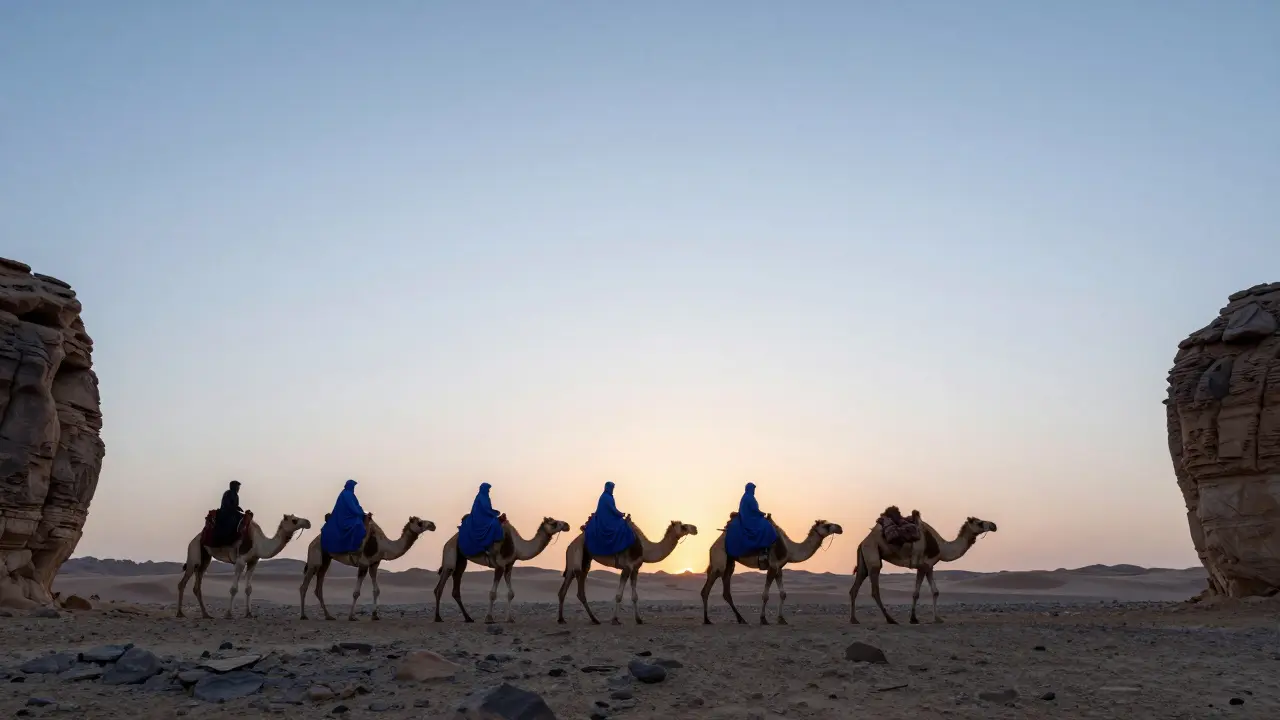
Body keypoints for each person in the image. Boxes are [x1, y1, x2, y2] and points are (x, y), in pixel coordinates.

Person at [725, 482, 779, 558]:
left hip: (750, 517)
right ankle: (764, 548)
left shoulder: (746, 497)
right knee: (766, 526)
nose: (754, 491)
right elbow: (754, 509)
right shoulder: (748, 497)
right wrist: (762, 513)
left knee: (765, 523)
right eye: (753, 489)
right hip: (749, 519)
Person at [584, 481, 636, 557]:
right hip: (605, 520)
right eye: (612, 488)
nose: (612, 489)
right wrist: (621, 514)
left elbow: (612, 510)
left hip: (608, 518)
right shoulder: (606, 497)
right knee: (622, 526)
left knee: (622, 523)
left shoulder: (607, 496)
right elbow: (613, 509)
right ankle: (620, 552)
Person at [457, 483, 505, 564]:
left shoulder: (485, 497)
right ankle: (490, 546)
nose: (489, 490)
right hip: (479, 517)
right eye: (488, 489)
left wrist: (493, 512)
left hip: (484, 515)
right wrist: (495, 513)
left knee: (495, 521)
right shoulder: (481, 497)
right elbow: (485, 509)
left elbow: (487, 509)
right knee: (494, 523)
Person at [320, 479, 367, 554]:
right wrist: (361, 512)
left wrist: (362, 511)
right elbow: (352, 507)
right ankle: (353, 548)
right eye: (353, 486)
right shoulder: (346, 494)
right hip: (344, 517)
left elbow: (356, 505)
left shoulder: (350, 494)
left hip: (349, 515)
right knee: (358, 525)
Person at [211, 480, 244, 546]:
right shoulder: (228, 493)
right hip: (225, 512)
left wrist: (237, 508)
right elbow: (227, 504)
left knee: (242, 517)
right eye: (237, 487)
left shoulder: (236, 496)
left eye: (238, 487)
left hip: (233, 512)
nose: (238, 489)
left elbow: (235, 505)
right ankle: (224, 538)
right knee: (232, 520)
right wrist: (235, 508)